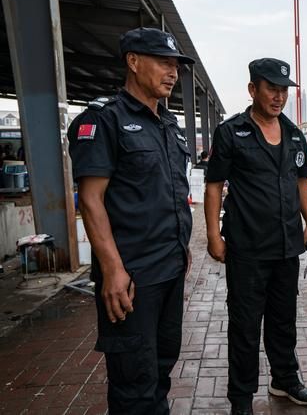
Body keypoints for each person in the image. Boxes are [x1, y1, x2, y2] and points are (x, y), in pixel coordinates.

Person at [68, 27, 195, 414]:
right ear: (134, 62)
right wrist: (112, 271)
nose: (172, 72)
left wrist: (182, 249)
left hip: (170, 268)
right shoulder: (104, 119)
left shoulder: (168, 125)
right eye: (163, 62)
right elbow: (91, 201)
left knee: (160, 366)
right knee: (133, 380)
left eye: (175, 65)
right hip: (132, 276)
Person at [204, 57, 307, 415]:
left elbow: (302, 181)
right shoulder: (232, 132)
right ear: (253, 89)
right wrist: (212, 235)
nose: (279, 96)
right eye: (272, 88)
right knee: (245, 326)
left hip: (287, 247)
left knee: (283, 320)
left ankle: (284, 379)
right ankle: (241, 399)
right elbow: (214, 186)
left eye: (284, 90)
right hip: (247, 248)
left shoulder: (295, 134)